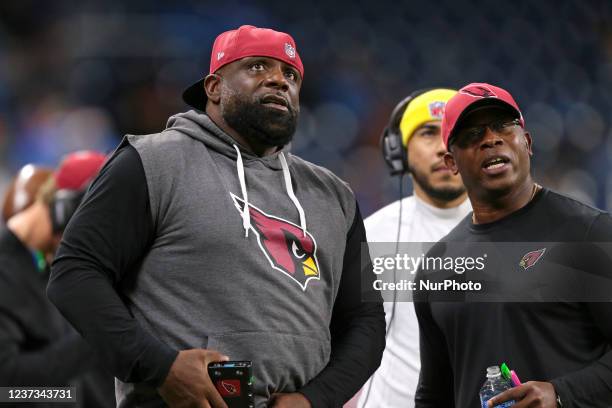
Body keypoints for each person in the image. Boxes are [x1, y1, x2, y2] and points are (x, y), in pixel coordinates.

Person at [47, 25, 386, 408]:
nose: (278, 81)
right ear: (214, 87)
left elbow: (367, 323)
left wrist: (314, 400)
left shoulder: (334, 195)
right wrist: (162, 369)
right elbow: (74, 274)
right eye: (258, 67)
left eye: (290, 75)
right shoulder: (151, 162)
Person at [414, 83, 612, 408]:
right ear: (451, 163)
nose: (491, 138)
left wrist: (561, 394)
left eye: (504, 126)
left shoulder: (588, 233)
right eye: (472, 133)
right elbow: (435, 394)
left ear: (527, 143)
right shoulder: (437, 266)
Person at [356, 89, 471, 408]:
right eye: (428, 133)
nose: (443, 147)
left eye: (454, 133)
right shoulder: (372, 235)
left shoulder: (517, 235)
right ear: (400, 151)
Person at [0, 152, 115, 408]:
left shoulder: (45, 266)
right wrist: (98, 336)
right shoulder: (8, 271)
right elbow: (6, 388)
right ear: (67, 211)